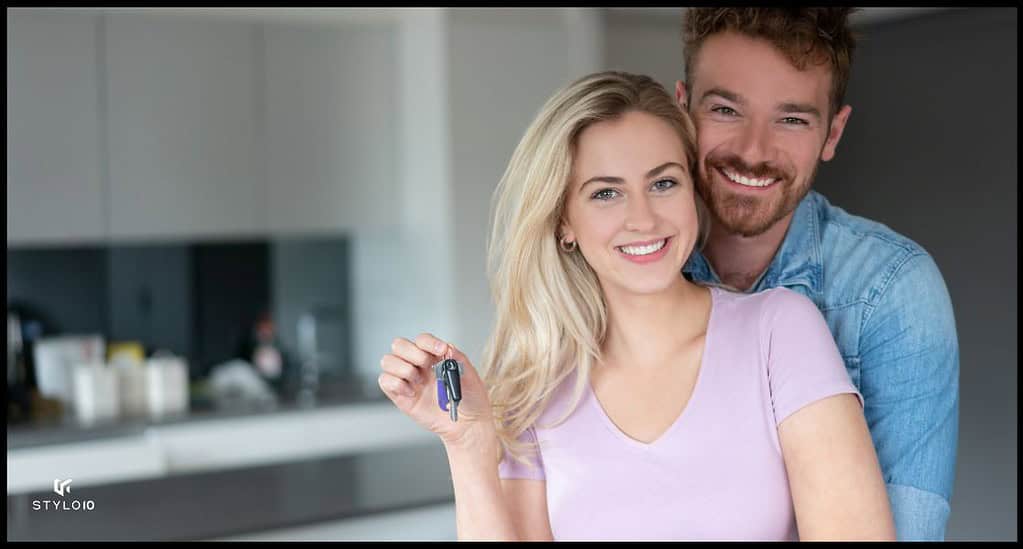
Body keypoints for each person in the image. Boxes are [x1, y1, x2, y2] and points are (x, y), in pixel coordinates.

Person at [377, 70, 894, 541]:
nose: (643, 219)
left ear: (693, 191)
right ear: (563, 221)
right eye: (606, 194)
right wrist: (469, 443)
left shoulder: (780, 333)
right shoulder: (533, 392)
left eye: (663, 183)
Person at [673, 8, 959, 541]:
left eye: (792, 119)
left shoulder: (892, 292)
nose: (753, 152)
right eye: (726, 109)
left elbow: (906, 533)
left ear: (833, 131)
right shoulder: (620, 273)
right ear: (682, 109)